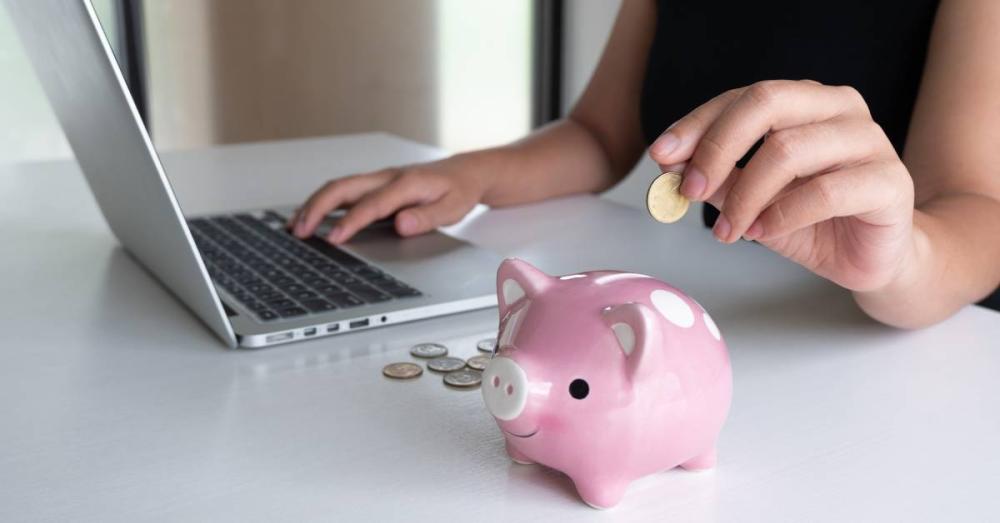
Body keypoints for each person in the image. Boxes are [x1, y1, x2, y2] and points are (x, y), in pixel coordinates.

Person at [289, 0, 1000, 329]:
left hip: (916, 351)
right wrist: (466, 175)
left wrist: (898, 260)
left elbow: (976, 208)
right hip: (707, 318)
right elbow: (601, 133)